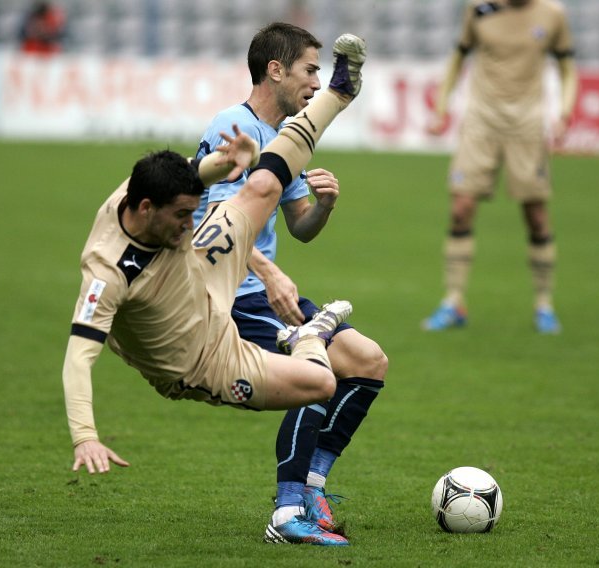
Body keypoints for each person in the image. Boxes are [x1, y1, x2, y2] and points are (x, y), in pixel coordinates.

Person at [61, 34, 367, 548]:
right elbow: (77, 359)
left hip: (204, 272)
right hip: (203, 356)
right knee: (321, 381)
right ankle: (309, 338)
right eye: (180, 217)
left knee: (264, 186)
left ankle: (341, 95)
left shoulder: (159, 203)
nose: (189, 223)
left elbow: (197, 179)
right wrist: (86, 436)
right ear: (141, 211)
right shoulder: (107, 272)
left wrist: (233, 162)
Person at [193, 23, 386, 546]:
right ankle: (287, 511)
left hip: (264, 290)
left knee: (368, 361)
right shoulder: (234, 126)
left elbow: (300, 227)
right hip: (228, 294)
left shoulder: (286, 143)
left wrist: (323, 206)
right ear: (274, 70)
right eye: (309, 70)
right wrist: (266, 270)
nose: (315, 82)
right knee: (314, 369)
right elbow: (217, 222)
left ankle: (314, 486)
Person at [422, 0, 578, 334]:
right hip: (481, 121)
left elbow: (567, 68)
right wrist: (441, 108)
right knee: (461, 208)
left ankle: (544, 306)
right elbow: (457, 58)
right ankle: (453, 302)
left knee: (536, 215)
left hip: (527, 125)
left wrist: (564, 113)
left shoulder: (552, 15)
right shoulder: (480, 9)